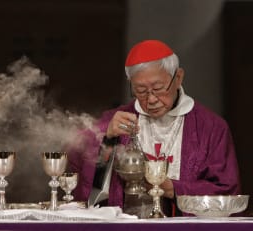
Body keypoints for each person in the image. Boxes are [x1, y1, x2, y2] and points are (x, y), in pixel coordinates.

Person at [68, 40, 240, 216]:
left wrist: (173, 189)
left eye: (158, 88)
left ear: (178, 77)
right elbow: (84, 185)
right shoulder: (114, 122)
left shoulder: (210, 127)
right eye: (141, 91)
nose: (151, 99)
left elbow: (225, 193)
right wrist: (108, 140)